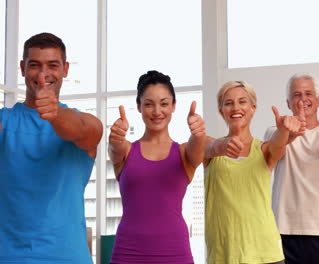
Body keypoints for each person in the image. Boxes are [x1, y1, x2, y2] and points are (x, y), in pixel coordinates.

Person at [0, 32, 103, 263]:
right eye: (34, 65)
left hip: (67, 258)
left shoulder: (86, 123)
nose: (43, 74)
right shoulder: (4, 123)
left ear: (65, 69)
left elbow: (81, 131)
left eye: (52, 66)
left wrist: (55, 114)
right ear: (22, 68)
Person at [109, 70, 205, 264]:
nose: (157, 112)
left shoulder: (184, 152)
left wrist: (198, 134)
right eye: (148, 104)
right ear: (139, 107)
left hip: (174, 252)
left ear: (173, 106)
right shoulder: (126, 150)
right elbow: (114, 149)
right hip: (128, 251)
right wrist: (116, 138)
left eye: (164, 103)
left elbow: (197, 149)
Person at [204, 80, 305, 264]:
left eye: (242, 101)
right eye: (228, 103)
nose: (236, 107)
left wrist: (283, 129)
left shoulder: (264, 149)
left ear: (252, 108)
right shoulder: (210, 147)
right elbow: (206, 148)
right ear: (221, 111)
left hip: (265, 253)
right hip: (223, 254)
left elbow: (277, 143)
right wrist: (223, 145)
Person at [264, 73, 319, 264]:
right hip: (285, 231)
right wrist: (286, 130)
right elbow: (277, 144)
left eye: (308, 93)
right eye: (296, 95)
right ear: (288, 102)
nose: (303, 99)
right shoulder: (275, 132)